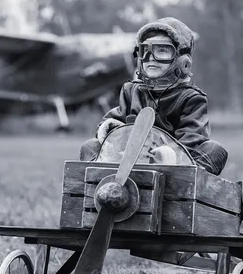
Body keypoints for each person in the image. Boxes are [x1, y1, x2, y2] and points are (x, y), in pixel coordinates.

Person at [79, 17, 228, 176]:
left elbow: (192, 138)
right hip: (128, 159)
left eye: (162, 51)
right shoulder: (131, 91)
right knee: (90, 146)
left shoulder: (191, 98)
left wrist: (166, 154)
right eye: (145, 51)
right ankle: (102, 182)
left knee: (214, 150)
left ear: (183, 61)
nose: (151, 58)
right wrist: (112, 129)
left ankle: (187, 189)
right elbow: (115, 121)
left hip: (172, 166)